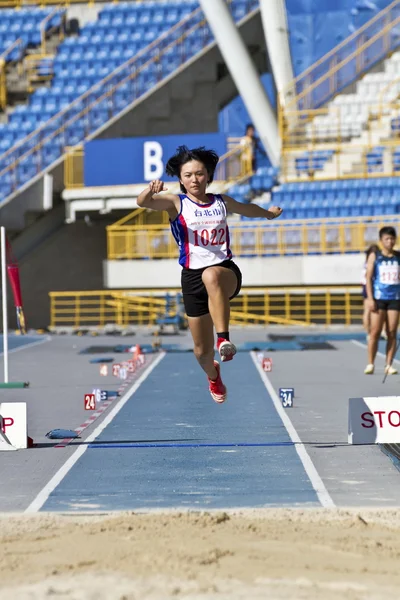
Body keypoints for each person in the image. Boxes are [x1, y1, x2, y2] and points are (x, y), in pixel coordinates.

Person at [137, 145, 283, 402]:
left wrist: (268, 214)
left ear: (208, 175)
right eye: (189, 175)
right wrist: (151, 189)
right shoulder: (176, 203)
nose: (195, 179)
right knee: (201, 353)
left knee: (212, 276)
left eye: (200, 173)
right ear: (181, 180)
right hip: (191, 277)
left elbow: (247, 208)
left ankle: (224, 340)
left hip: (225, 271)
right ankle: (213, 376)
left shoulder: (221, 202)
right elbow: (143, 202)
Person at [364, 226, 400, 375]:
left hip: (395, 299)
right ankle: (371, 363)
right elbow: (368, 278)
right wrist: (370, 298)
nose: (390, 242)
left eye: (392, 239)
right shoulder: (375, 256)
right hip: (378, 298)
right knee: (375, 331)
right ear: (381, 240)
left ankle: (388, 365)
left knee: (392, 332)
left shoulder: (398, 257)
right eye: (387, 239)